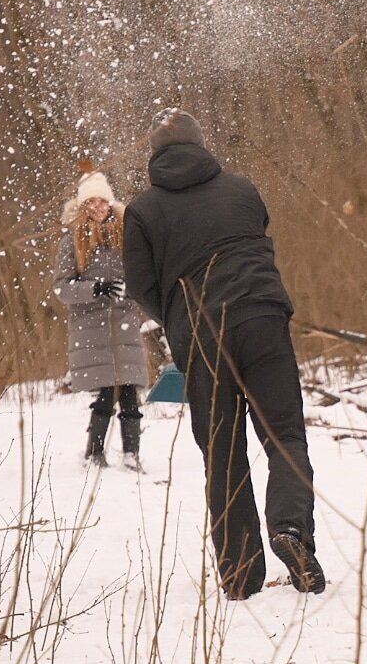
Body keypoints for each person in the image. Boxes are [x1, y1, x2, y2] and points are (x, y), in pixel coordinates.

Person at [122, 108, 324, 599]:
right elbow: (254, 236)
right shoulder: (241, 189)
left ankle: (239, 572)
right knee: (284, 436)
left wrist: (178, 317)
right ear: (202, 143)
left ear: (154, 154)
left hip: (201, 333)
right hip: (263, 317)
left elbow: (141, 285)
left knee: (223, 453)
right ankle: (291, 529)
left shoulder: (143, 211)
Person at [53, 163, 149, 469]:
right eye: (91, 202)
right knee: (106, 395)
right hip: (92, 329)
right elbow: (61, 288)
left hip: (124, 326)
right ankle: (94, 453)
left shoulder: (127, 233)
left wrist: (128, 290)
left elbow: (143, 277)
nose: (97, 207)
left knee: (131, 395)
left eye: (102, 201)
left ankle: (132, 453)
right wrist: (95, 289)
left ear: (111, 202)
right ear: (82, 206)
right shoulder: (72, 240)